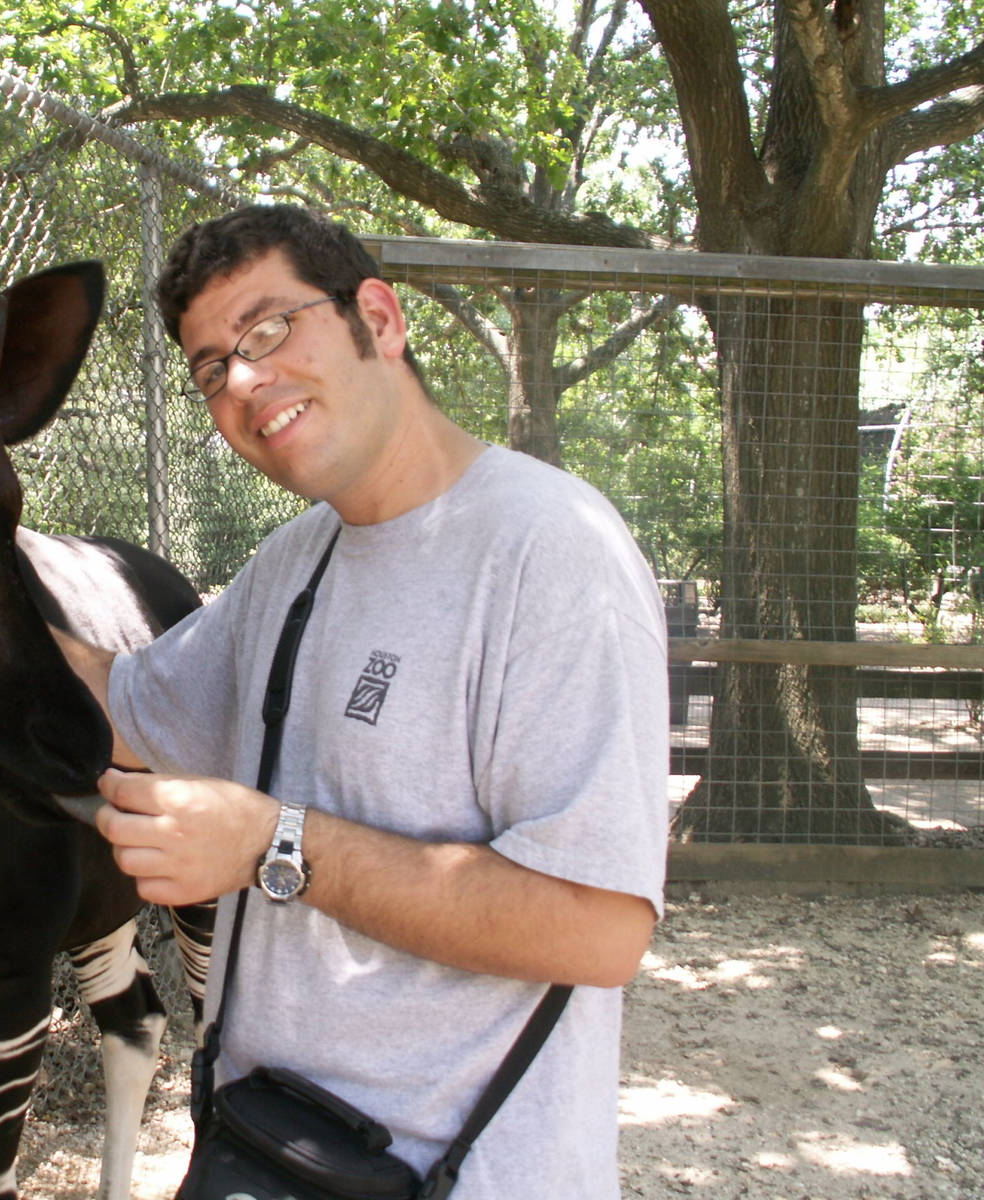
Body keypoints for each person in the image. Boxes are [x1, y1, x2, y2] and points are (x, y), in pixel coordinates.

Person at [53, 204, 668, 1198]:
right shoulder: (295, 559)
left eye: (267, 330)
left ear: (377, 319)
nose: (241, 381)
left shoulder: (551, 553)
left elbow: (599, 930)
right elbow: (122, 710)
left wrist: (272, 845)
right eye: (211, 369)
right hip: (263, 1149)